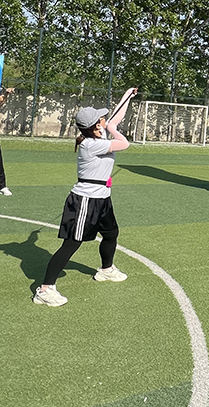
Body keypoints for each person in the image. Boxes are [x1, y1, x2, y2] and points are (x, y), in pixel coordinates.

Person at [32, 88, 137, 307]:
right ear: (96, 125)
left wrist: (127, 95)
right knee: (72, 244)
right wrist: (112, 128)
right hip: (85, 200)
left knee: (111, 233)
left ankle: (106, 269)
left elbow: (116, 118)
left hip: (102, 199)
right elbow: (124, 143)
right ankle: (44, 289)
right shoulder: (91, 144)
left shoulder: (98, 135)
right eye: (101, 119)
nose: (105, 120)